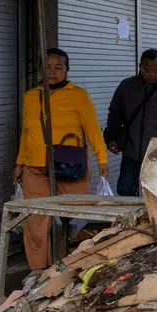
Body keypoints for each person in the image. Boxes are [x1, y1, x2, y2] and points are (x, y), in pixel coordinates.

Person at [13, 48, 108, 270]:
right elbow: (26, 134)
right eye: (47, 67)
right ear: (40, 70)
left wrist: (101, 159)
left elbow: (93, 130)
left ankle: (77, 267)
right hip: (35, 167)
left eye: (58, 67)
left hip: (70, 165)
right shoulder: (31, 96)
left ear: (67, 70)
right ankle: (40, 272)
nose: (52, 72)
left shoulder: (79, 95)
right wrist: (19, 163)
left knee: (77, 219)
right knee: (35, 223)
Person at [104, 48, 157, 197]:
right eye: (146, 70)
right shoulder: (126, 86)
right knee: (125, 189)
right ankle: (129, 219)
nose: (151, 75)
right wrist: (111, 136)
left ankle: (152, 219)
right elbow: (115, 114)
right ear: (139, 66)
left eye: (156, 71)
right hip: (131, 150)